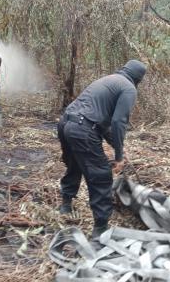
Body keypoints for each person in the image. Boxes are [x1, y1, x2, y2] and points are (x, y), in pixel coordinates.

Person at [57, 59, 147, 240]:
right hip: (82, 129)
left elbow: (99, 120)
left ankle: (65, 205)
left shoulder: (109, 80)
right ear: (138, 79)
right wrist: (119, 156)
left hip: (65, 123)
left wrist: (115, 144)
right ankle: (101, 228)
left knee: (75, 164)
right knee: (101, 175)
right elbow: (118, 122)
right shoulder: (129, 88)